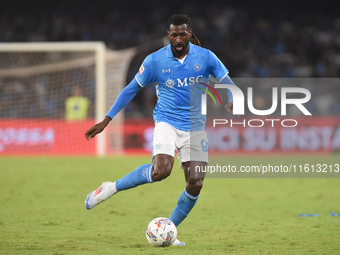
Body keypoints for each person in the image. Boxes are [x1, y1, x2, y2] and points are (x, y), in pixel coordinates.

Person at [84, 14, 236, 245]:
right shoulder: (155, 61)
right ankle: (110, 188)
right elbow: (130, 89)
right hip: (167, 122)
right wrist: (107, 119)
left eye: (182, 34)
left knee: (195, 182)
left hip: (195, 128)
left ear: (190, 34)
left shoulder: (206, 57)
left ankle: (169, 231)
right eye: (173, 34)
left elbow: (228, 82)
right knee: (161, 171)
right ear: (169, 34)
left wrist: (231, 97)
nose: (177, 38)